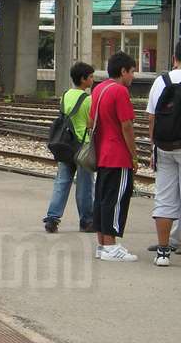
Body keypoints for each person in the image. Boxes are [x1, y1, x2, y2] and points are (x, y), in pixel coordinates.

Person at [92, 51, 139, 262]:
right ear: (123, 71)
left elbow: (90, 121)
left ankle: (102, 244)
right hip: (118, 155)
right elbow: (127, 125)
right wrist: (134, 156)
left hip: (102, 153)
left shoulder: (99, 89)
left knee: (102, 199)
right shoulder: (120, 91)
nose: (133, 76)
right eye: (132, 72)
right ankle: (111, 247)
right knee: (116, 199)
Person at [43, 62, 95, 233]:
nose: (93, 80)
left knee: (62, 182)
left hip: (66, 145)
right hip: (82, 147)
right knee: (85, 186)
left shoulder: (65, 95)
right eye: (91, 77)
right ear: (83, 79)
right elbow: (91, 122)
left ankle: (52, 218)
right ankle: (86, 220)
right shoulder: (88, 100)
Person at [146, 40, 181, 266]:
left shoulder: (162, 81)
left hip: (165, 146)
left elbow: (152, 118)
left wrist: (153, 147)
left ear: (174, 57)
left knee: (164, 199)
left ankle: (163, 252)